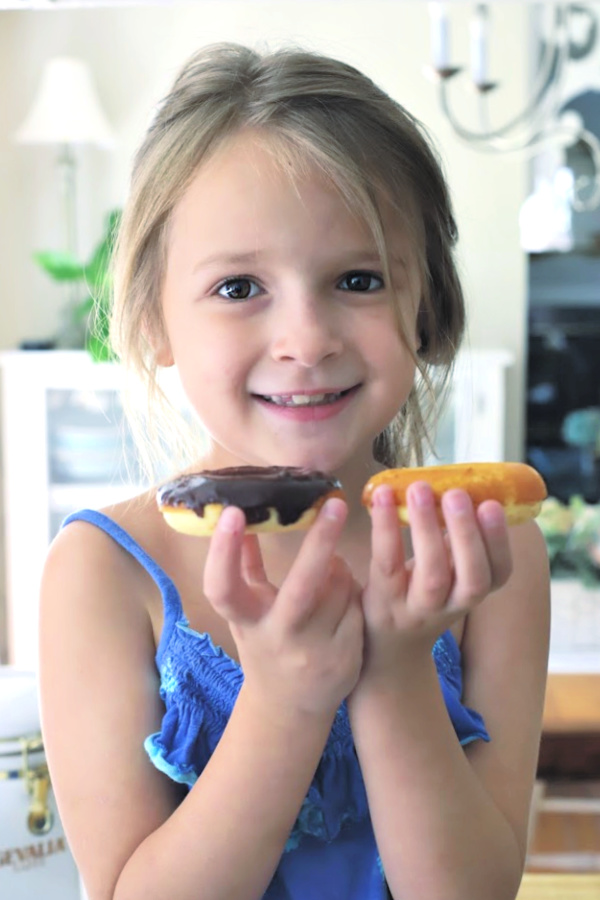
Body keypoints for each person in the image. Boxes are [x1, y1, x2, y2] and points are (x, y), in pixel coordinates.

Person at [39, 43, 550, 900]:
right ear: (155, 317)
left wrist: (394, 672)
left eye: (358, 278)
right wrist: (283, 701)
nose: (306, 340)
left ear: (425, 309)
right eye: (239, 288)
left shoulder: (487, 556)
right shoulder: (101, 574)